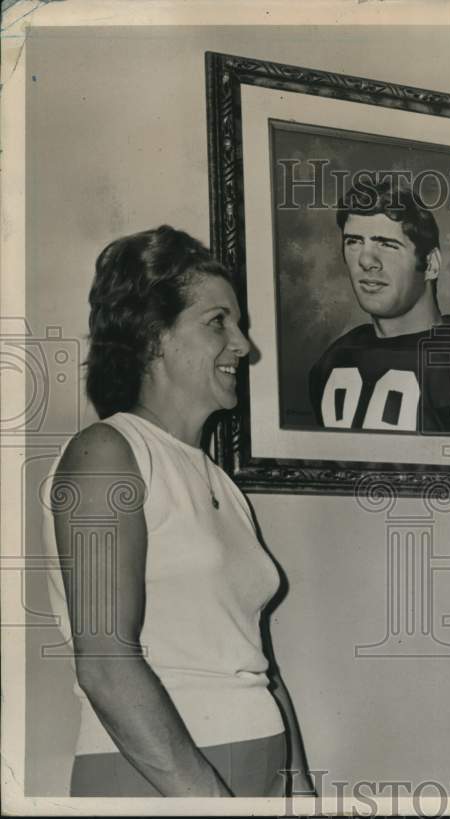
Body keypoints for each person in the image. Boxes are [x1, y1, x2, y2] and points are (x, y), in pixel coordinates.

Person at [44, 226, 313, 797]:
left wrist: (299, 787)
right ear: (152, 336)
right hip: (161, 782)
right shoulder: (105, 454)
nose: (244, 346)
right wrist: (212, 803)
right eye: (218, 322)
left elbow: (257, 662)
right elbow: (104, 664)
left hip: (251, 772)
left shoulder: (219, 481)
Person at [308, 177, 450, 436]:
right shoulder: (333, 360)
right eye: (354, 242)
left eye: (387, 244)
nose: (366, 260)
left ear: (431, 263)